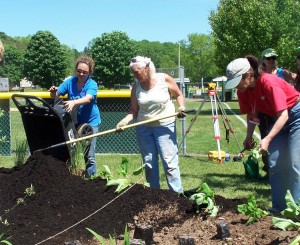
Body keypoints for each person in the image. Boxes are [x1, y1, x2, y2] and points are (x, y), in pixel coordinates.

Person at [225, 55, 300, 213]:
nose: (236, 87)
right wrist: (248, 137)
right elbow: (252, 115)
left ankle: (297, 210)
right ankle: (279, 208)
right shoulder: (243, 91)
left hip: (295, 115)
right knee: (274, 163)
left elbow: (284, 115)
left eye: (237, 81)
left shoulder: (268, 82)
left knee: (294, 162)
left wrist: (267, 139)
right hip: (276, 118)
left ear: (248, 74)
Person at [116, 56, 185, 193]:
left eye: (137, 72)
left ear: (146, 68)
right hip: (144, 128)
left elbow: (178, 94)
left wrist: (181, 107)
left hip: (165, 126)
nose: (135, 75)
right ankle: (155, 197)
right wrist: (124, 121)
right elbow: (134, 110)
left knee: (169, 164)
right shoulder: (136, 86)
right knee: (149, 164)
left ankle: (177, 197)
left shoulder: (163, 79)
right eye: (133, 73)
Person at [49, 55, 101, 177]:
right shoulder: (70, 82)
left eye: (84, 72)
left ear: (89, 72)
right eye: (79, 71)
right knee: (69, 151)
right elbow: (55, 95)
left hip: (90, 123)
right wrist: (53, 92)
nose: (81, 73)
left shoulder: (92, 84)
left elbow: (88, 99)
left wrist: (74, 102)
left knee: (89, 155)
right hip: (73, 122)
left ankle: (91, 178)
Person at [258, 48, 297, 178]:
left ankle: (286, 170)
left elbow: (296, 78)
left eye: (273, 58)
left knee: (285, 142)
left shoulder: (282, 73)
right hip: (266, 113)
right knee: (265, 137)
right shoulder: (260, 75)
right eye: (268, 58)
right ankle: (269, 169)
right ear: (263, 60)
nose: (271, 61)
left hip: (282, 111)